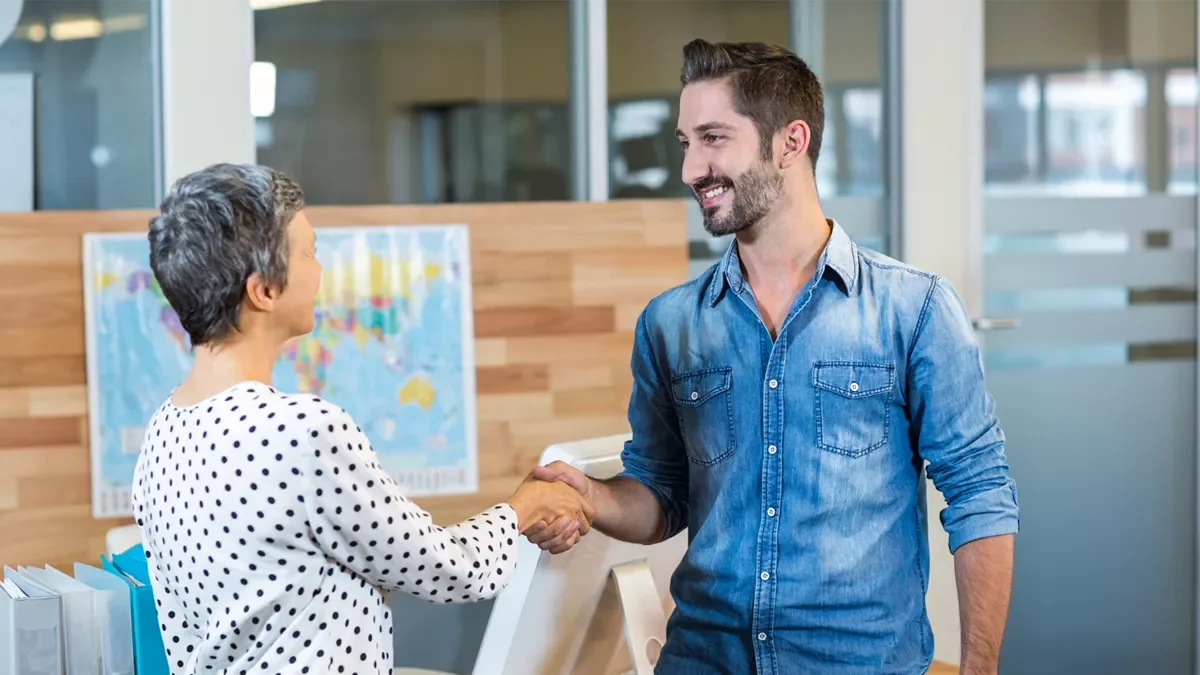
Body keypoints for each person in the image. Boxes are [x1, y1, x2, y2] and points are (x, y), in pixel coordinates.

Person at [529, 39, 1020, 675]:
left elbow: (981, 496)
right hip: (703, 660)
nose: (690, 169)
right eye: (686, 143)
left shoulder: (914, 309)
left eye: (713, 138)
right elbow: (662, 495)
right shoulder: (670, 324)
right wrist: (591, 498)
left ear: (791, 141)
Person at [131, 163, 593, 675]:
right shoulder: (301, 432)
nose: (319, 270)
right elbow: (446, 570)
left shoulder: (164, 431)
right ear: (263, 291)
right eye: (309, 252)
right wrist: (523, 507)